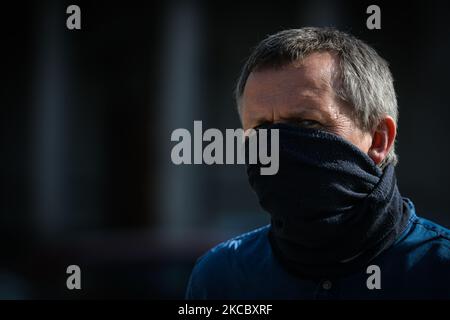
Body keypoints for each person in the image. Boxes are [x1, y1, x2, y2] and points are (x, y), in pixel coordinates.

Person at [185, 27, 450, 299]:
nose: (277, 147)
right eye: (261, 129)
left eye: (307, 123)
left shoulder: (440, 271)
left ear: (379, 139)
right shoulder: (221, 279)